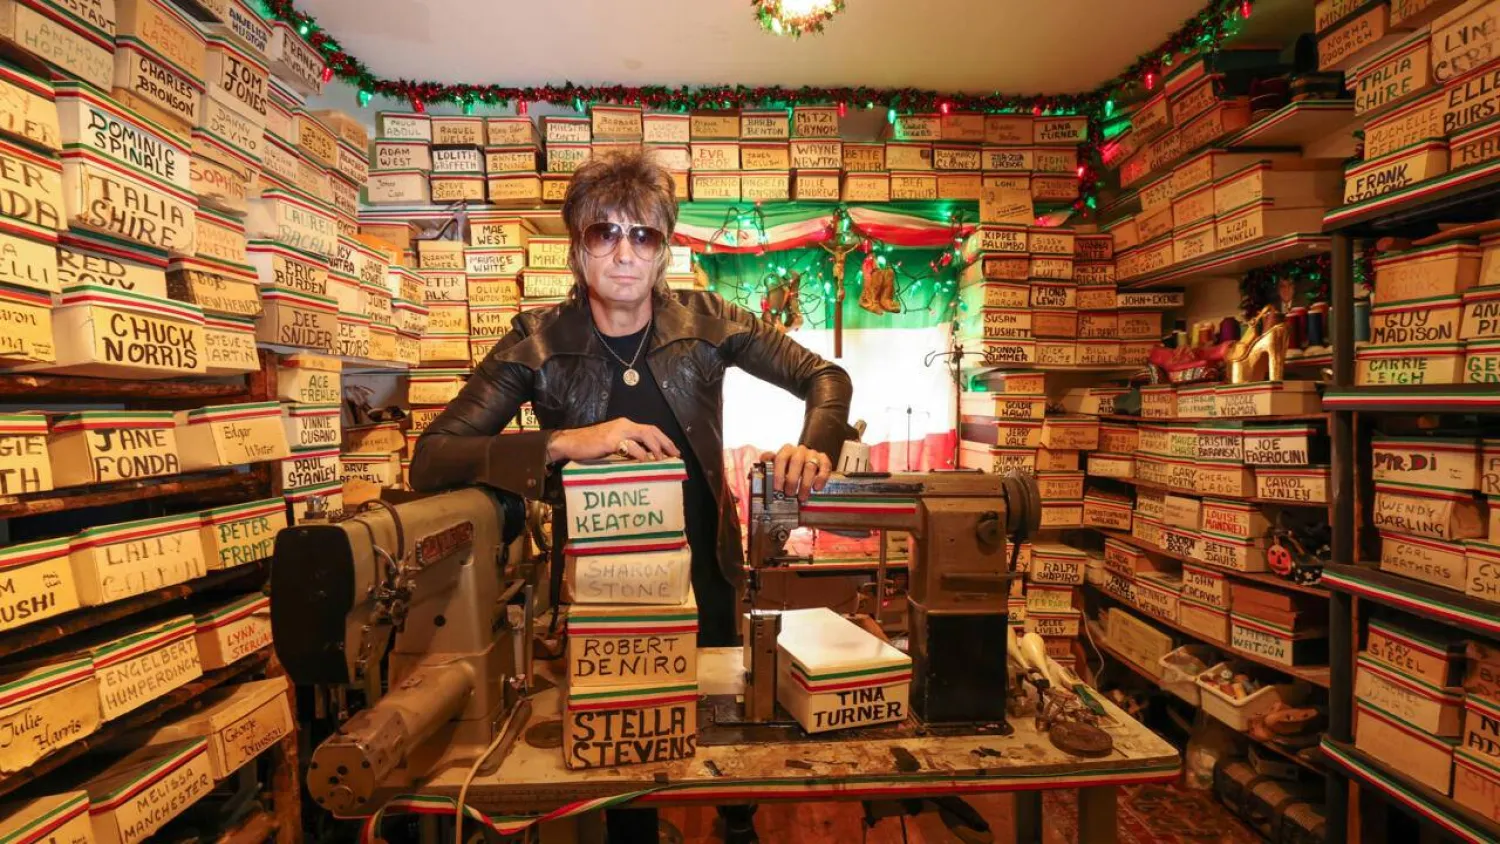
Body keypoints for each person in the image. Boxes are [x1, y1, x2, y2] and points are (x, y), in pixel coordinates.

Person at [409, 149, 855, 843]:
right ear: (577, 247)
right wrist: (566, 441)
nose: (624, 253)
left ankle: (736, 824)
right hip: (603, 593)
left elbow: (826, 377)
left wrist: (815, 446)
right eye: (604, 232)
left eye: (643, 235)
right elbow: (433, 457)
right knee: (623, 749)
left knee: (724, 734)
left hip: (706, 575)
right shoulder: (537, 343)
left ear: (664, 249)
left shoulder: (708, 320)